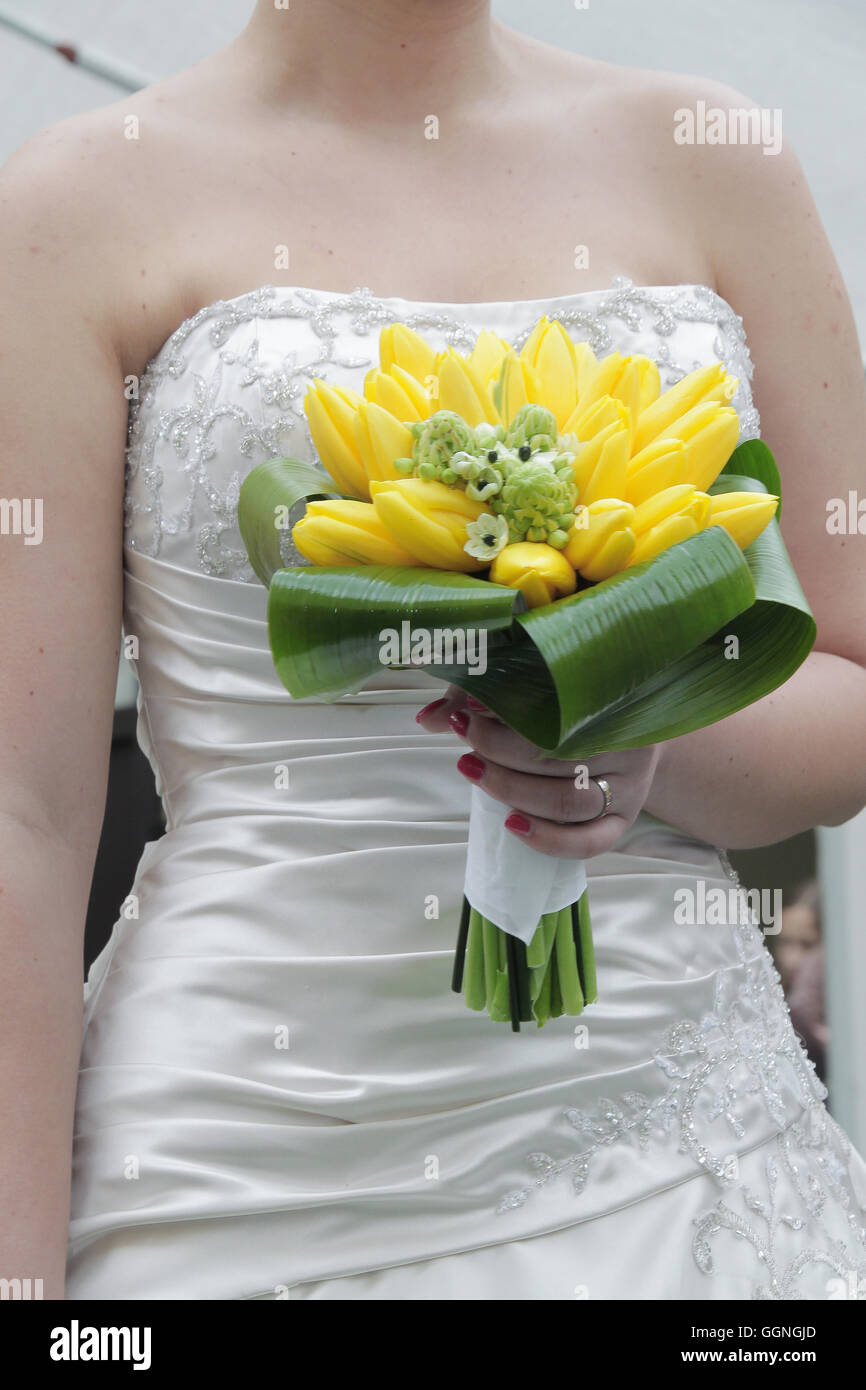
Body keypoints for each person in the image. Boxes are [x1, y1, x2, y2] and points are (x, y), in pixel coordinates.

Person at [2, 0, 866, 1301]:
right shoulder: (76, 200)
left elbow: (844, 687)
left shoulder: (717, 158)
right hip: (246, 1159)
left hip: (684, 1155)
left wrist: (643, 723)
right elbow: (25, 817)